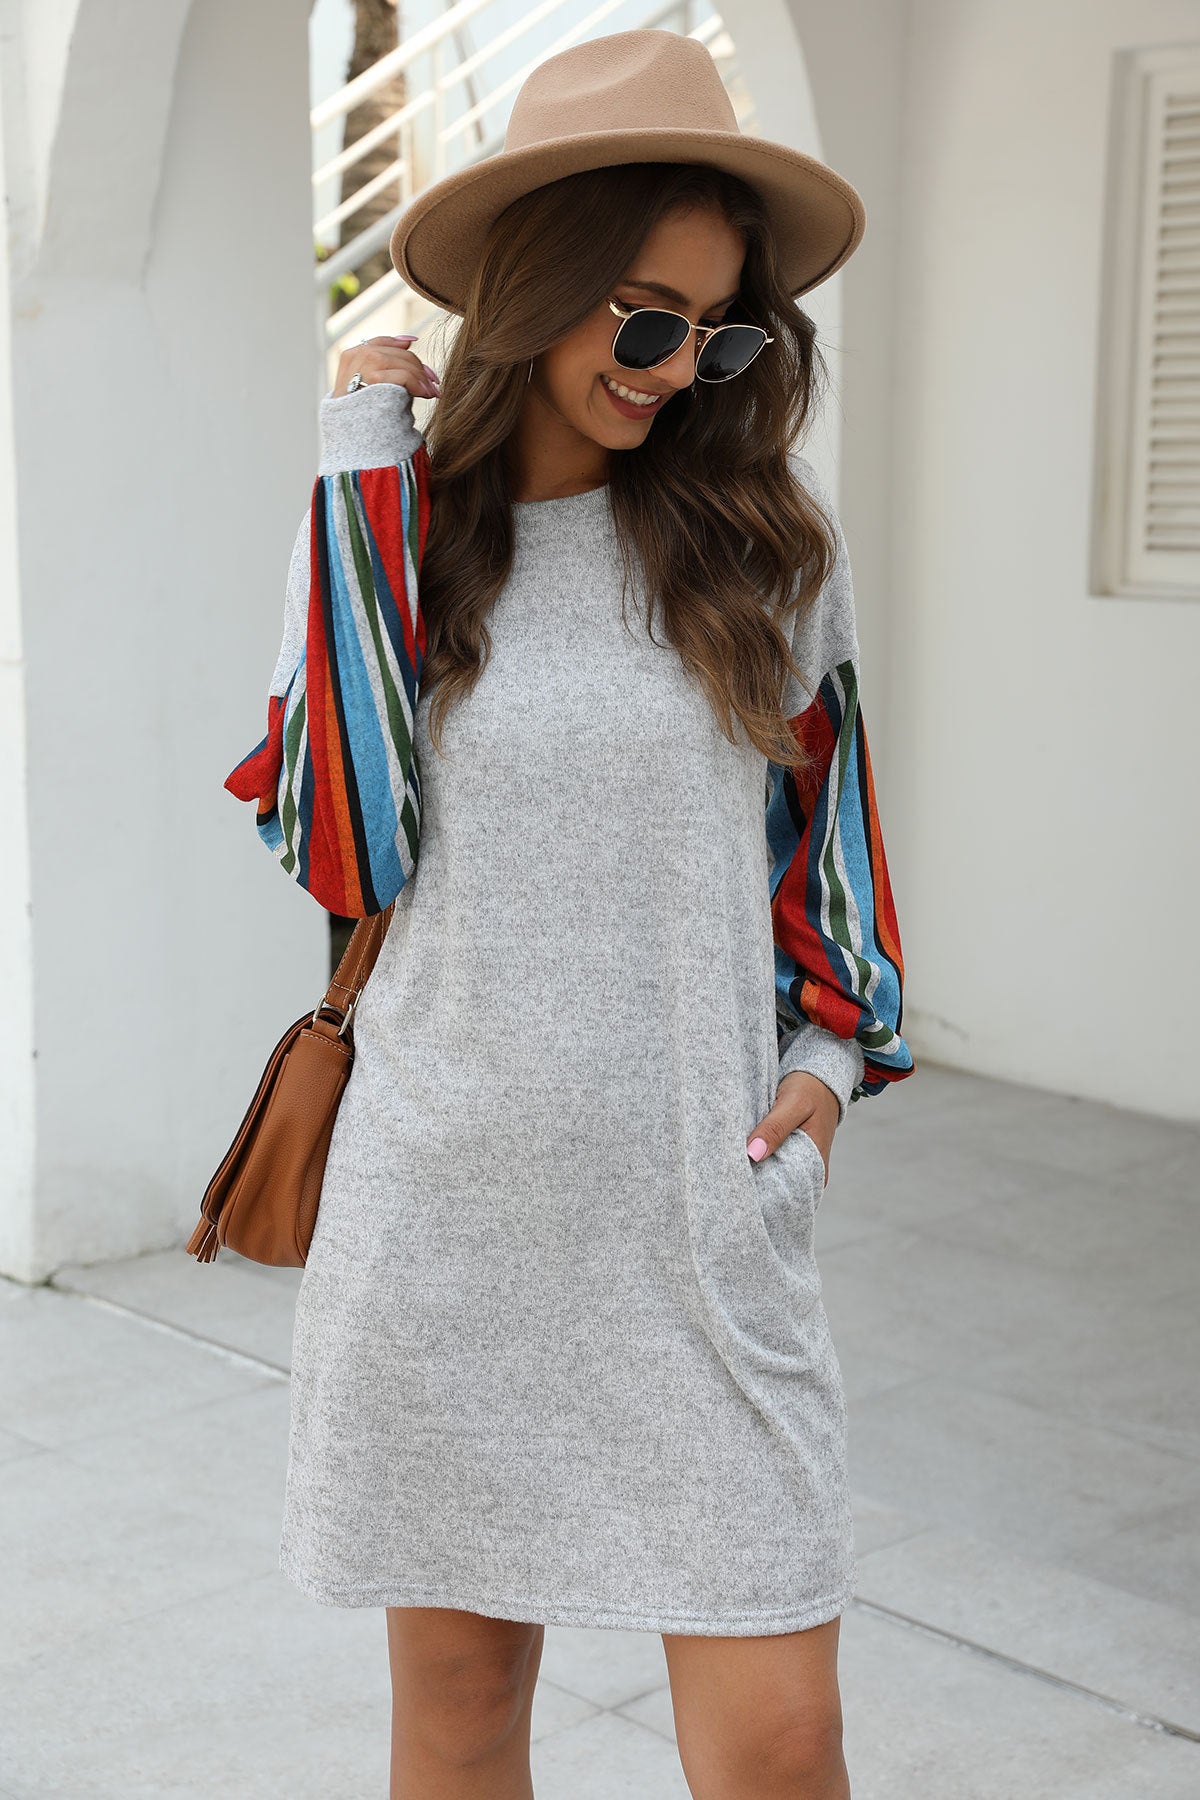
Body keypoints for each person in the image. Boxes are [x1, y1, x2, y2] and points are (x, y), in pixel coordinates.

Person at [225, 28, 913, 1800]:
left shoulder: (769, 551)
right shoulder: (386, 530)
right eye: (646, 321)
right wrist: (364, 452)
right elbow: (349, 845)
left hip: (699, 1228)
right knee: (462, 1718)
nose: (678, 372)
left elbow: (834, 848)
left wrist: (829, 1072)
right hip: (447, 1232)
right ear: (533, 288)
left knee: (784, 1750)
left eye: (721, 333)